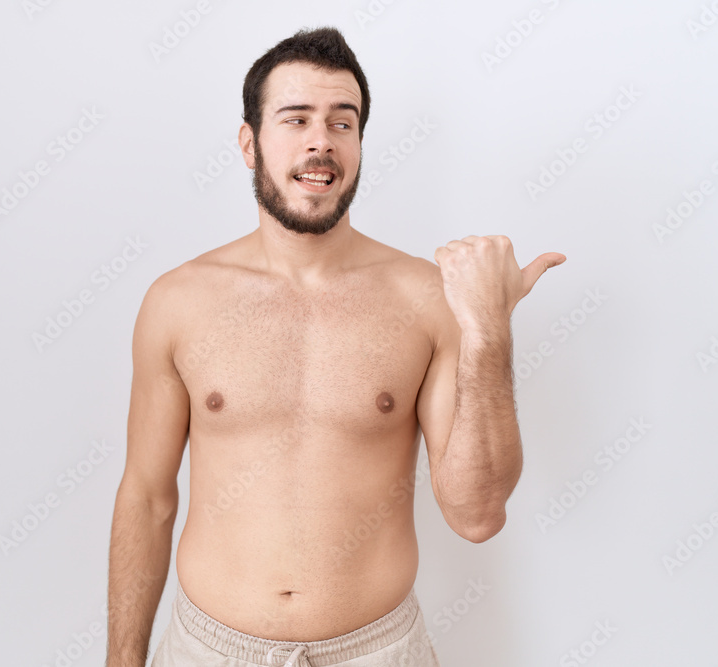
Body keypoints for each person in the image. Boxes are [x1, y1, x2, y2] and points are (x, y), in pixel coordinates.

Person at [106, 26, 565, 667]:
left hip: (377, 651)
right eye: (296, 119)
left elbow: (477, 514)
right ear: (249, 143)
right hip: (209, 650)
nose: (321, 139)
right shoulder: (177, 302)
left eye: (342, 123)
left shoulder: (427, 299)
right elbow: (147, 498)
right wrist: (122, 661)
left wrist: (488, 329)